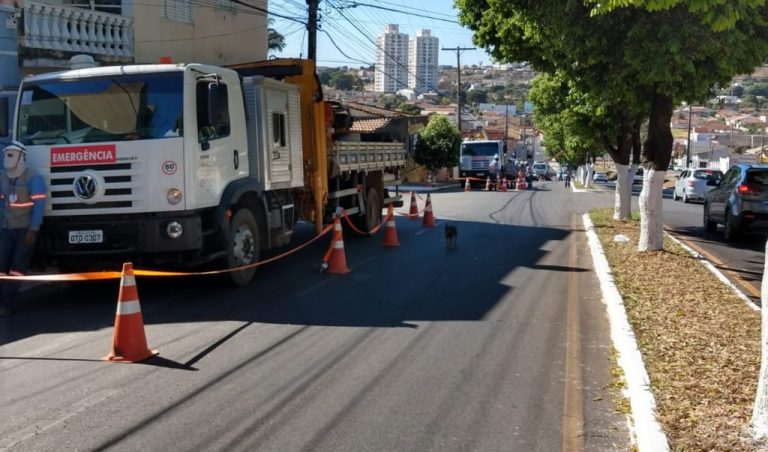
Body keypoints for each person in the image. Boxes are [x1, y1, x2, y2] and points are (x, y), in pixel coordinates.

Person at [0, 141, 46, 316]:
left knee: (18, 268)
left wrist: (33, 229)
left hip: (24, 230)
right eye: (6, 155)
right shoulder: (3, 177)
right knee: (1, 266)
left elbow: (39, 205)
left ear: (21, 158)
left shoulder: (33, 178)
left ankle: (7, 302)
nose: (6, 158)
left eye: (11, 155)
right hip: (7, 229)